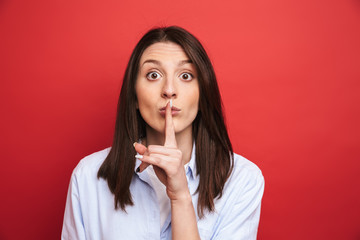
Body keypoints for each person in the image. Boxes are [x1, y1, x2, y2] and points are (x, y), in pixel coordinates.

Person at [61, 26, 265, 240]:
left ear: (203, 95)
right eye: (153, 75)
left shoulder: (242, 179)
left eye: (185, 75)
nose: (169, 90)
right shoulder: (88, 177)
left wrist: (180, 197)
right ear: (134, 96)